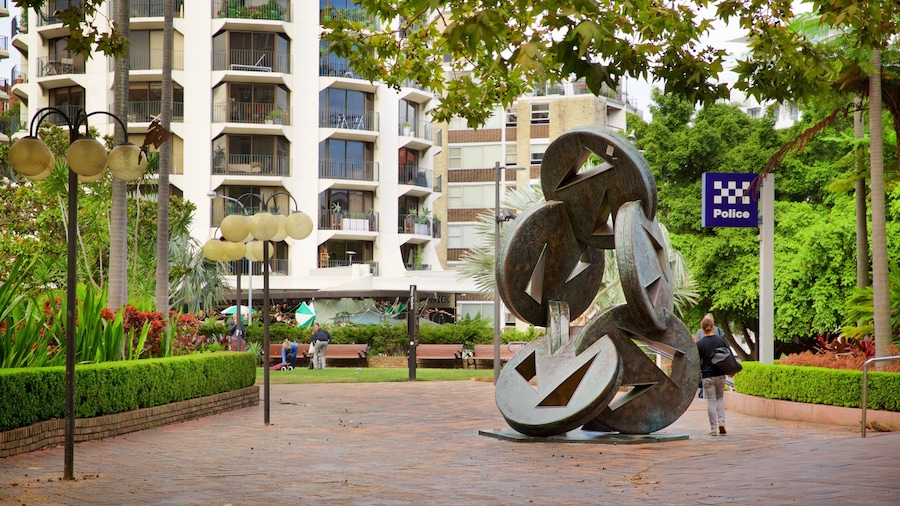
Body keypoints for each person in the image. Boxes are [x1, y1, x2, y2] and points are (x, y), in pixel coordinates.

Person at [696, 313, 729, 436]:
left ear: (702, 328)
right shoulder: (721, 340)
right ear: (713, 326)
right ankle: (722, 421)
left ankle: (713, 428)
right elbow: (728, 355)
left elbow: (696, 360)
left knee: (711, 401)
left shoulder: (700, 344)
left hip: (707, 376)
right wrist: (731, 370)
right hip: (720, 374)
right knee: (720, 398)